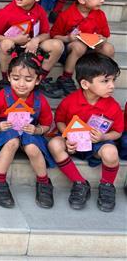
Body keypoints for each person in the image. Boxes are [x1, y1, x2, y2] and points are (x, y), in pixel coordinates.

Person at [0, 51, 55, 209]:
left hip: (29, 129)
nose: (22, 84)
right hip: (6, 129)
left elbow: (46, 125)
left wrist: (37, 130)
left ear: (38, 80)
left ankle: (44, 181)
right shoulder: (1, 96)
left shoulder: (40, 100)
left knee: (32, 148)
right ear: (9, 77)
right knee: (12, 141)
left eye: (28, 79)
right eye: (16, 78)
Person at [48, 53, 123, 212]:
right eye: (105, 81)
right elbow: (59, 121)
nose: (112, 86)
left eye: (113, 80)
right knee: (54, 144)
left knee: (111, 152)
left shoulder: (113, 106)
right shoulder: (70, 101)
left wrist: (104, 137)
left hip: (97, 144)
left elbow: (118, 132)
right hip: (73, 143)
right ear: (85, 84)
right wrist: (67, 136)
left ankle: (107, 185)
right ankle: (79, 183)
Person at [0, 0, 64, 98]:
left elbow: (46, 34)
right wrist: (15, 40)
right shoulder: (6, 12)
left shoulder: (40, 11)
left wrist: (35, 40)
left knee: (57, 45)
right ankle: (7, 80)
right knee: (6, 44)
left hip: (32, 49)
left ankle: (40, 79)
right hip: (12, 50)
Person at [50, 0, 114, 96]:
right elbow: (54, 35)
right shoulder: (66, 15)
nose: (102, 0)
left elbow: (105, 36)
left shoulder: (100, 15)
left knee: (108, 48)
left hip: (91, 50)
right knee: (79, 46)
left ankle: (102, 77)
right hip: (71, 50)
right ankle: (66, 78)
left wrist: (101, 39)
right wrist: (68, 38)